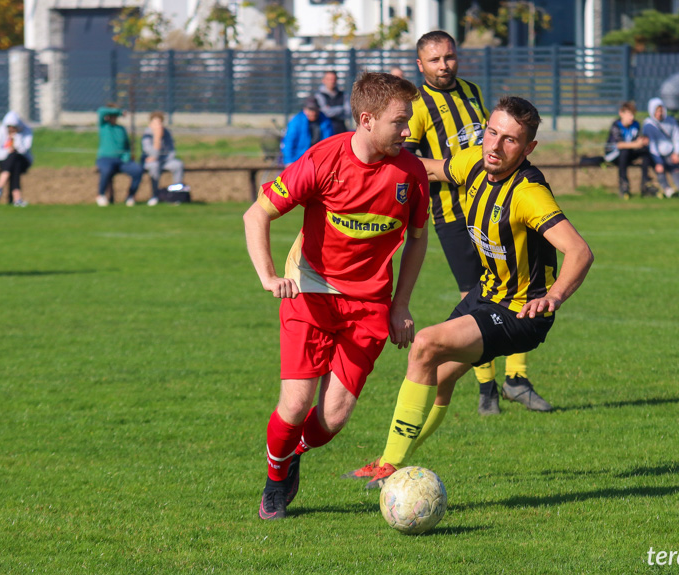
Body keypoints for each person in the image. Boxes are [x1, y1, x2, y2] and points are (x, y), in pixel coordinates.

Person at [344, 96, 594, 488]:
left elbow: (579, 251)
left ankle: (388, 465)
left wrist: (554, 297)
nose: (495, 145)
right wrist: (376, 150)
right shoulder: (473, 164)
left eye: (510, 140)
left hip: (520, 314)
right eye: (492, 132)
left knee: (424, 344)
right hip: (486, 296)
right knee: (440, 377)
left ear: (528, 149)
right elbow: (428, 166)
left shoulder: (529, 193)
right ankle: (390, 463)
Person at [244, 72, 430, 520]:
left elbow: (418, 239)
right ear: (366, 119)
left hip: (369, 304)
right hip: (310, 290)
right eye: (400, 121)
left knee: (333, 419)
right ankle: (274, 481)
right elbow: (257, 214)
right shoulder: (323, 160)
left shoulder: (411, 172)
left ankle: (291, 455)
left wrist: (400, 303)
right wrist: (269, 277)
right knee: (295, 402)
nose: (408, 131)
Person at [405, 30, 549, 416]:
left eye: (449, 57)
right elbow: (411, 164)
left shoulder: (471, 92)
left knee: (516, 291)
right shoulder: (417, 105)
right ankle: (486, 387)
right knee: (477, 297)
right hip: (453, 217)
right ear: (421, 65)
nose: (443, 65)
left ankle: (516, 379)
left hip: (497, 208)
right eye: (434, 60)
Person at [642, 97, 679, 199]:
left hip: (669, 152)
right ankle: (666, 189)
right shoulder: (648, 125)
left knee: (674, 166)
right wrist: (658, 161)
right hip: (655, 155)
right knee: (660, 169)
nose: (659, 113)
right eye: (657, 111)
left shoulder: (671, 121)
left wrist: (676, 152)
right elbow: (652, 145)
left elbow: (677, 137)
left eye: (661, 110)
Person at [604, 101, 657, 199]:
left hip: (628, 153)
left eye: (633, 115)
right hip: (613, 155)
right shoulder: (616, 125)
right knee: (624, 151)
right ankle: (624, 185)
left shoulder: (635, 125)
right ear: (621, 113)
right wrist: (635, 144)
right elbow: (619, 145)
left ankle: (645, 183)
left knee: (645, 151)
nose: (631, 118)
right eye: (629, 115)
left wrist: (642, 141)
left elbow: (635, 140)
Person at [95, 103, 143, 207]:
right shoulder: (104, 126)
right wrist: (120, 111)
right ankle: (101, 195)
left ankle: (130, 196)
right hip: (105, 159)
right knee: (106, 171)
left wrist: (127, 156)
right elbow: (101, 111)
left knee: (137, 170)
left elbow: (127, 145)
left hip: (121, 160)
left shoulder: (121, 129)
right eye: (113, 114)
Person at [141, 111, 188, 206]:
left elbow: (171, 151)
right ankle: (154, 195)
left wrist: (165, 158)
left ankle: (176, 194)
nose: (158, 126)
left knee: (178, 165)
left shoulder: (167, 133)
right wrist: (157, 138)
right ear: (150, 124)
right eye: (155, 123)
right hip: (152, 162)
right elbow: (151, 154)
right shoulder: (147, 135)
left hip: (166, 160)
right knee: (154, 166)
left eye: (159, 123)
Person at [0, 111, 33, 207]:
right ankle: (17, 198)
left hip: (22, 159)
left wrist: (16, 138)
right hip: (5, 159)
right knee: (14, 161)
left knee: (15, 158)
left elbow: (25, 149)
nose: (11, 129)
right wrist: (7, 151)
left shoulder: (26, 130)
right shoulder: (2, 130)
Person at [281, 97, 334, 166]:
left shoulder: (325, 121)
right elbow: (289, 142)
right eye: (310, 110)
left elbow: (329, 142)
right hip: (298, 159)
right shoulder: (296, 121)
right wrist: (289, 161)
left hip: (319, 159)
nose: (313, 113)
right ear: (305, 110)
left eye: (315, 109)